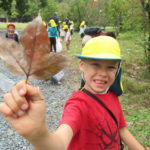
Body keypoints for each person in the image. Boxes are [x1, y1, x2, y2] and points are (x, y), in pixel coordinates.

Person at [0, 36, 149, 150]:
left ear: (117, 70)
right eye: (95, 65)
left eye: (110, 67)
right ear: (82, 66)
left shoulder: (112, 97)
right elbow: (60, 142)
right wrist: (39, 135)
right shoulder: (78, 104)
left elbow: (121, 130)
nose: (103, 73)